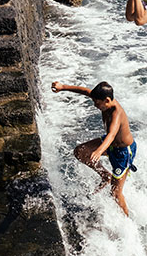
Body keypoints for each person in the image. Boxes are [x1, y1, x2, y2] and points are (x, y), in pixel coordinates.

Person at [50, 80, 136, 216]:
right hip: (110, 144)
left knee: (115, 192)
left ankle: (128, 219)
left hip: (122, 151)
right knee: (80, 151)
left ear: (107, 100)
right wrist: (63, 87)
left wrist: (99, 151)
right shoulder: (102, 99)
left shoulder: (116, 113)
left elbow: (112, 135)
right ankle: (105, 176)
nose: (95, 105)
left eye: (97, 103)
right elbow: (84, 91)